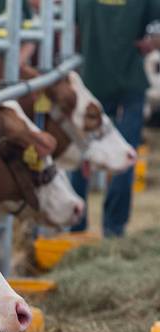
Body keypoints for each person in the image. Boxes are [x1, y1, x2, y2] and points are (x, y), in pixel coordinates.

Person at [70, 0, 160, 237]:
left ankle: (76, 224)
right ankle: (114, 227)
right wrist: (150, 43)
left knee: (82, 155)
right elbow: (156, 28)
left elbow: (73, 26)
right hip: (129, 82)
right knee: (126, 155)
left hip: (92, 81)